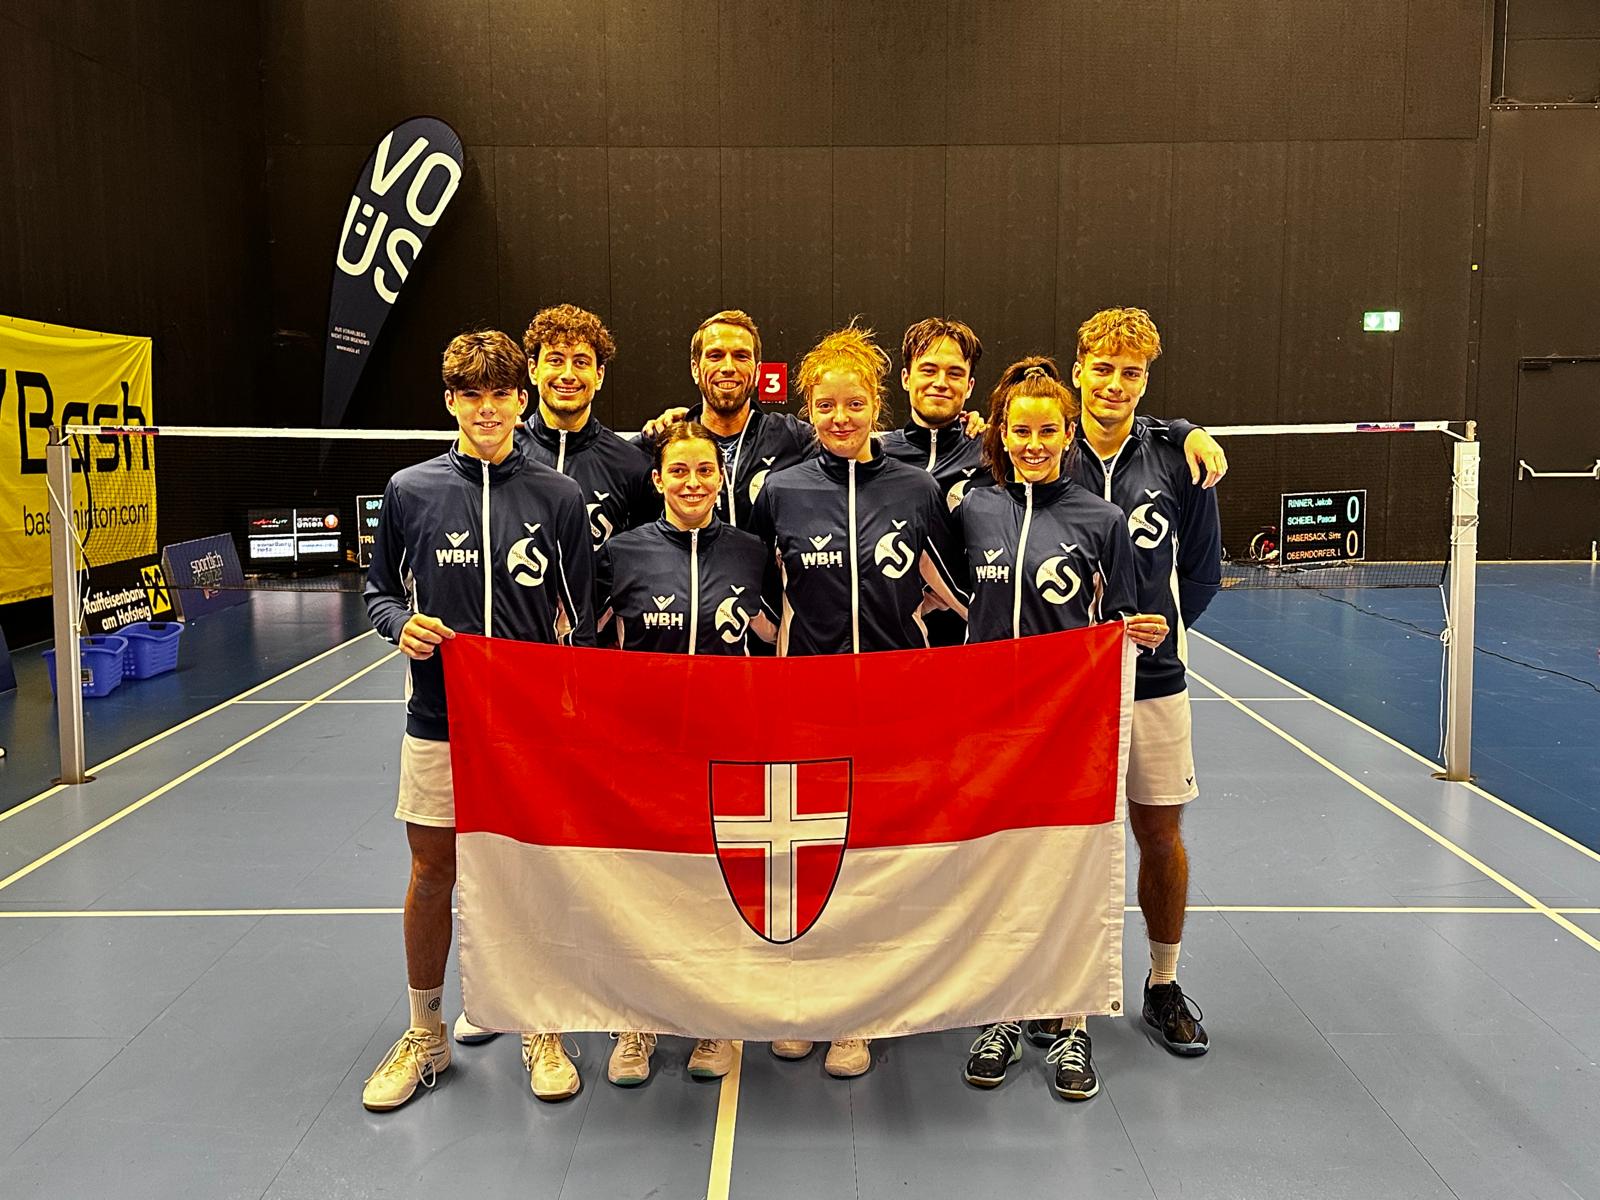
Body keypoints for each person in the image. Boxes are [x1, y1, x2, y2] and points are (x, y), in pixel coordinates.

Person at [360, 330, 596, 1110]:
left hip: (529, 730)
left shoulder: (559, 498)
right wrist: (400, 625)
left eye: (500, 394)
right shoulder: (410, 490)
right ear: (450, 402)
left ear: (522, 400)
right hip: (438, 717)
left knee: (532, 876)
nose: (486, 409)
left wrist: (571, 710)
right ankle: (425, 1031)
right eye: (471, 395)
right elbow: (377, 592)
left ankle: (540, 1025)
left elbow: (582, 621)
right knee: (433, 874)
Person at [747, 324, 967, 1076]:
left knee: (875, 857)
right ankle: (806, 998)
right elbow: (753, 590)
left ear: (878, 404)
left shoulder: (916, 488)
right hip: (805, 702)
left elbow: (954, 590)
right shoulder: (780, 491)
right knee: (809, 857)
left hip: (894, 705)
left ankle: (860, 1014)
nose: (841, 417)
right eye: (826, 405)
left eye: (855, 403)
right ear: (807, 409)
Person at [954, 356, 1168, 1098]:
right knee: (999, 870)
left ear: (1067, 435)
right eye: (1021, 431)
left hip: (1071, 727)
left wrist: (1140, 631)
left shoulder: (1101, 520)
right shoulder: (973, 509)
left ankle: (1072, 1026)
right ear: (1001, 434)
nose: (1034, 443)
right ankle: (1004, 1015)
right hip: (990, 725)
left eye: (1048, 431)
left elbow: (1125, 616)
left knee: (1071, 873)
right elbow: (941, 591)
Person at [1029, 308, 1224, 1094]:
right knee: (1060, 840)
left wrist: (1156, 638)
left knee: (1159, 833)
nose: (1114, 384)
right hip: (1062, 691)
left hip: (1155, 683)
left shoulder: (1176, 458)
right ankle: (1054, 988)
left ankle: (1162, 983)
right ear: (1077, 369)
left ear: (1146, 380)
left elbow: (1201, 574)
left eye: (1131, 372)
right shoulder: (1046, 447)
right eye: (1102, 368)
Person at [593, 421, 777, 1086]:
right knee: (644, 888)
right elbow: (586, 645)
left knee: (713, 886)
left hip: (727, 748)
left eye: (705, 471)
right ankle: (637, 1020)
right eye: (679, 471)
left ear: (720, 479)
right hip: (646, 752)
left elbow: (779, 638)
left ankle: (712, 1020)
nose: (693, 483)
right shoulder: (622, 553)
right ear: (658, 479)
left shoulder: (752, 553)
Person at [519, 303, 658, 549]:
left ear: (599, 375)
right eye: (555, 360)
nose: (568, 375)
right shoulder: (503, 454)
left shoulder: (633, 466)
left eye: (581, 362)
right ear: (533, 370)